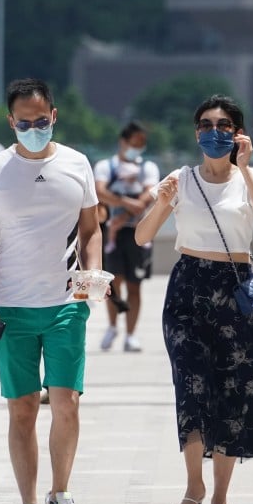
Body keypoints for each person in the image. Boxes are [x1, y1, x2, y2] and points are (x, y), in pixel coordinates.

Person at [135, 94, 253, 504]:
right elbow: (143, 236)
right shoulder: (180, 179)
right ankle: (193, 488)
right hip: (188, 290)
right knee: (193, 386)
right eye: (204, 125)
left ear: (238, 133)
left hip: (235, 292)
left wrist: (247, 167)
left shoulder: (251, 178)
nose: (212, 132)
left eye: (223, 125)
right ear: (195, 131)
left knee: (233, 395)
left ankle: (219, 502)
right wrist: (162, 203)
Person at [0, 78, 103, 504]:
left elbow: (91, 229)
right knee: (22, 409)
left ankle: (59, 497)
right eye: (23, 122)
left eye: (40, 121)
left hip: (67, 304)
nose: (32, 128)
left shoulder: (77, 163)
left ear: (54, 116)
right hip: (11, 306)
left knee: (66, 404)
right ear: (10, 122)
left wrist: (92, 276)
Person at [93, 121, 159, 352]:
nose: (139, 147)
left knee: (134, 285)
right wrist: (126, 203)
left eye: (142, 143)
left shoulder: (148, 167)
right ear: (123, 141)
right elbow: (100, 191)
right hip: (112, 236)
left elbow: (149, 197)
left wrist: (125, 210)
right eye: (135, 142)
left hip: (137, 234)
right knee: (111, 283)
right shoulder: (106, 166)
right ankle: (112, 325)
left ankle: (131, 334)